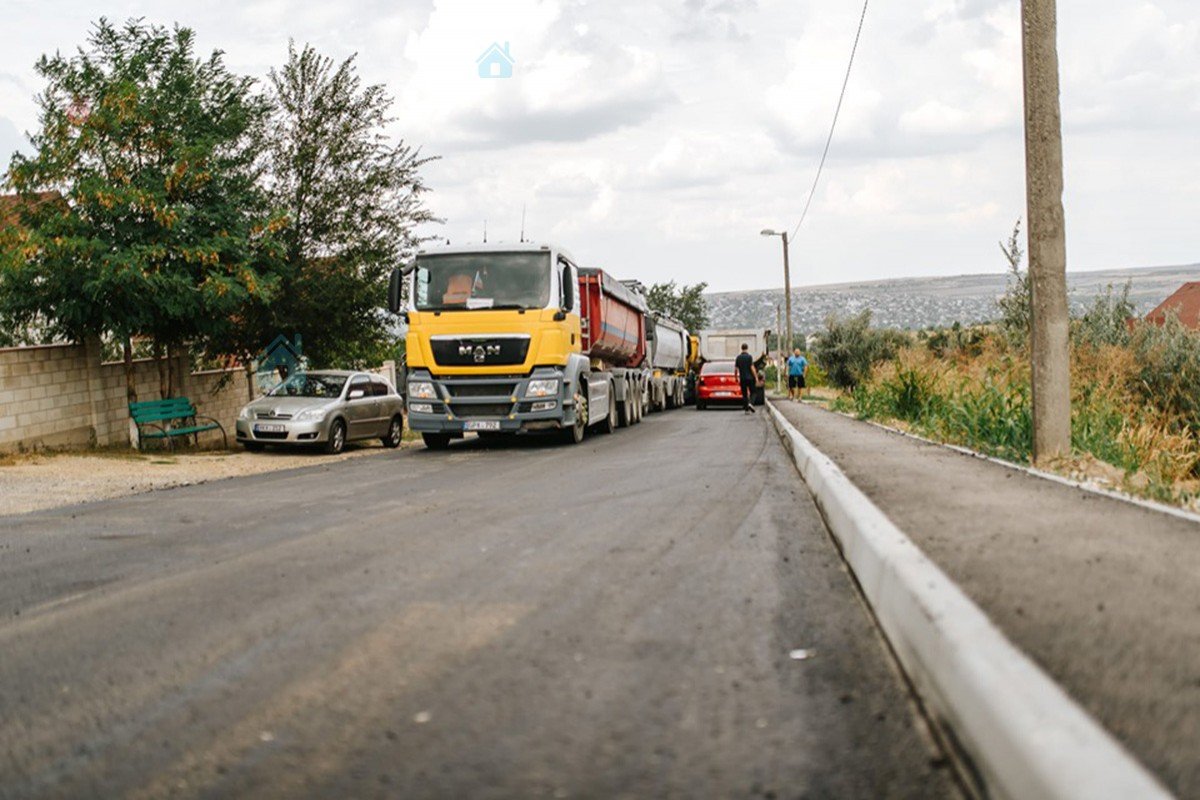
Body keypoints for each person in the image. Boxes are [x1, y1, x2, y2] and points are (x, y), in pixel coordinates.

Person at [734, 343, 758, 414]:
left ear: (741, 348)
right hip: (750, 378)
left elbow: (736, 369)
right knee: (753, 392)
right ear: (747, 348)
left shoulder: (738, 358)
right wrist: (756, 377)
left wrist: (736, 377)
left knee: (744, 394)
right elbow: (752, 368)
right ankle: (751, 403)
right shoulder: (749, 357)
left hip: (742, 379)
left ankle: (746, 410)